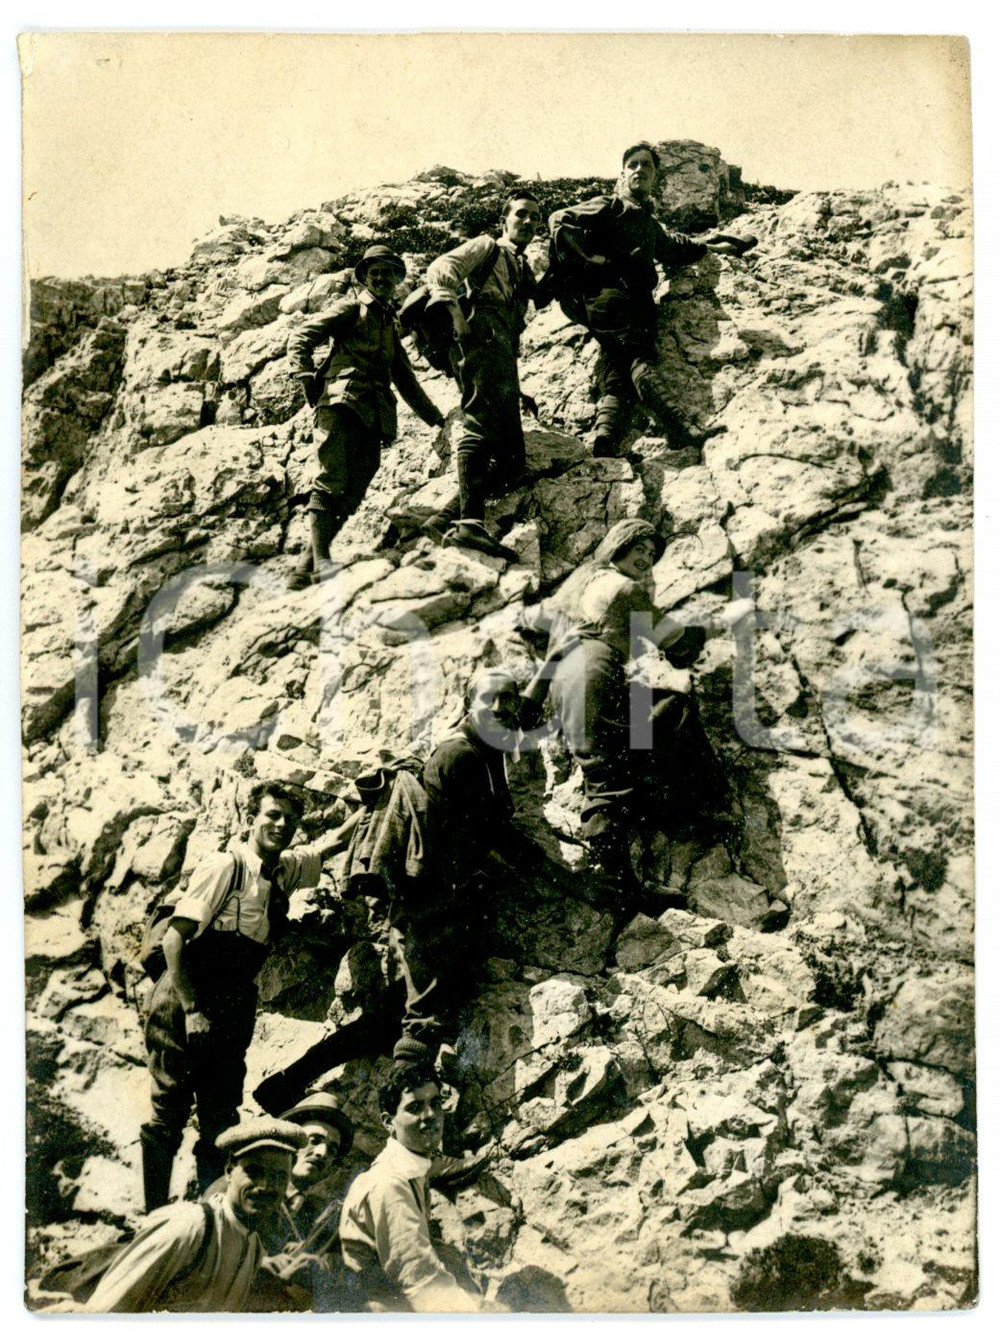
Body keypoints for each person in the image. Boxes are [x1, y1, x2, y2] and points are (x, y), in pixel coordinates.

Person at [140, 782, 359, 1211]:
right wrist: (191, 1009)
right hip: (186, 995)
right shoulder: (227, 865)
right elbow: (173, 941)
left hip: (233, 1004)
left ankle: (213, 1219)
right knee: (169, 1111)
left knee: (221, 1121)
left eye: (290, 820)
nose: (280, 825)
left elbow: (331, 843)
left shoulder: (284, 870)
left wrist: (373, 801)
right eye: (271, 815)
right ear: (250, 819)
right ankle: (155, 1220)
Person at [520, 518, 753, 899]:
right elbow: (675, 641)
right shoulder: (624, 588)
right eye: (639, 548)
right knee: (659, 724)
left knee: (613, 756)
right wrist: (727, 619)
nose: (646, 558)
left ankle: (624, 867)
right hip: (594, 675)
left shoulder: (581, 580)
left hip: (565, 684)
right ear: (619, 544)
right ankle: (700, 817)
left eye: (652, 554)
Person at [548, 142, 751, 457]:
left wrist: (715, 246)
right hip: (612, 297)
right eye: (633, 164)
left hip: (633, 302)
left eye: (647, 165)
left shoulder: (647, 220)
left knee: (618, 371)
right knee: (640, 360)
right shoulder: (611, 205)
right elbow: (559, 220)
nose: (639, 169)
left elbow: (673, 247)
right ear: (623, 173)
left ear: (656, 176)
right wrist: (594, 262)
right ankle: (681, 428)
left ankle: (604, 442)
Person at [286, 244, 447, 587]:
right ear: (364, 278)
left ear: (396, 280)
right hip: (341, 404)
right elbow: (301, 336)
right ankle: (322, 562)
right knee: (332, 478)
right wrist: (306, 379)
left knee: (357, 485)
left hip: (374, 415)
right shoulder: (351, 308)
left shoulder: (389, 323)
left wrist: (437, 419)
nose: (382, 278)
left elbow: (405, 379)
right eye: (375, 272)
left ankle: (305, 567)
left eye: (388, 273)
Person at [416, 193, 547, 559]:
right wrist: (456, 315)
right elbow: (442, 267)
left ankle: (446, 518)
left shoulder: (520, 265)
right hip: (482, 333)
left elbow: (538, 299)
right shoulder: (488, 246)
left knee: (512, 460)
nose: (529, 222)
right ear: (504, 220)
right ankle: (470, 525)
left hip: (501, 345)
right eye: (521, 214)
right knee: (480, 424)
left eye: (536, 217)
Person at [86, 1118, 307, 1313]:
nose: (266, 1186)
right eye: (254, 1171)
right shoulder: (191, 1227)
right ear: (229, 1171)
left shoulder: (253, 1246)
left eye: (279, 1176)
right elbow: (104, 1314)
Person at [339, 1062, 484, 1312]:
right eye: (415, 1107)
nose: (430, 1115)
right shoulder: (389, 1182)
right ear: (388, 1122)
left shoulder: (411, 1169)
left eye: (435, 1104)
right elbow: (421, 1281)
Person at [215, 1092, 357, 1312]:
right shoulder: (238, 1187)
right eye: (314, 1141)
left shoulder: (321, 1213)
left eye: (332, 1150)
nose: (322, 1153)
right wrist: (260, 1265)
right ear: (290, 1142)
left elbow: (341, 1273)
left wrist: (317, 1266)